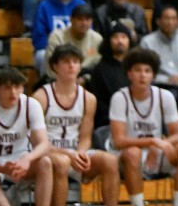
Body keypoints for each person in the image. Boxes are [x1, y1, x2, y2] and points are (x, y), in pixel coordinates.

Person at [34, 43, 120, 206]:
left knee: (110, 161)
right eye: (66, 61)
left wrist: (80, 153)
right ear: (55, 66)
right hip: (48, 154)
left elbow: (86, 137)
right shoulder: (41, 97)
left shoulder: (89, 98)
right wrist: (67, 154)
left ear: (81, 66)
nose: (71, 65)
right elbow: (36, 141)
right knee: (62, 162)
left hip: (74, 154)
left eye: (75, 61)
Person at [109, 48, 178, 206]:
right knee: (133, 153)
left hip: (156, 153)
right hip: (127, 156)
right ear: (129, 74)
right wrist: (153, 142)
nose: (142, 75)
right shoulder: (120, 97)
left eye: (147, 71)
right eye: (137, 70)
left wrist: (160, 145)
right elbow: (118, 141)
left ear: (153, 75)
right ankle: (138, 203)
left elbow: (177, 135)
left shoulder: (165, 96)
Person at [0, 68, 53, 206]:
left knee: (46, 162)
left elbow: (43, 143)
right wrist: (1, 168)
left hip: (21, 159)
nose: (13, 92)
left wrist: (27, 158)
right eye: (7, 88)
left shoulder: (31, 105)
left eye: (17, 87)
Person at [140, 5, 178, 105]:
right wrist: (167, 80)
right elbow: (144, 70)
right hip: (158, 83)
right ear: (158, 21)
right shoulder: (147, 42)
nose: (170, 22)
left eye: (173, 18)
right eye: (167, 18)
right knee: (171, 95)